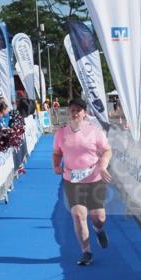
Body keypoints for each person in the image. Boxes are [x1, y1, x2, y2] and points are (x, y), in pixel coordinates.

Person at [52, 98, 112, 267]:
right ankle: (86, 251)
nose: (75, 112)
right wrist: (56, 165)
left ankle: (98, 229)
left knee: (98, 217)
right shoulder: (61, 133)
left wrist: (102, 165)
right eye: (72, 109)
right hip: (72, 180)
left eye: (79, 109)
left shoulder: (94, 131)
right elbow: (57, 153)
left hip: (94, 178)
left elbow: (107, 150)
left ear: (85, 113)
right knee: (78, 216)